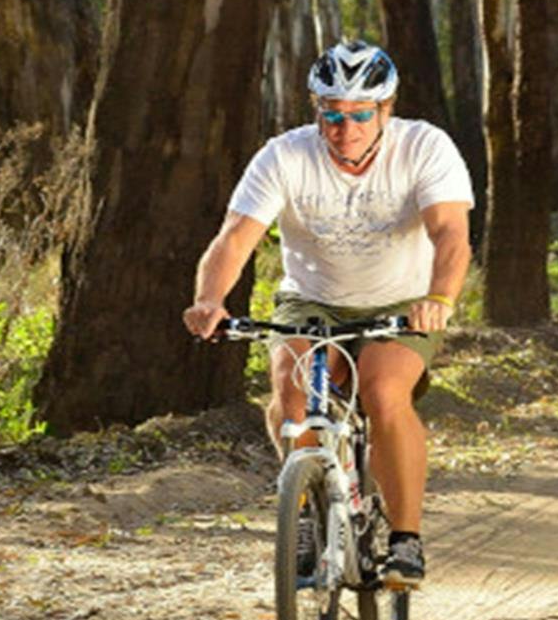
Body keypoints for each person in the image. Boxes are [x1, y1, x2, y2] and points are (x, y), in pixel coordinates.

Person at [183, 38, 473, 588]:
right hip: (311, 300)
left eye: (362, 114)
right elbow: (235, 239)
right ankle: (311, 512)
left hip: (400, 303)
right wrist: (210, 300)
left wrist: (437, 301)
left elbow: (451, 234)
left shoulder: (424, 147)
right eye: (332, 115)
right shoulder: (284, 154)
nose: (346, 129)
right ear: (316, 110)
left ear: (385, 110)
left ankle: (406, 540)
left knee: (383, 390)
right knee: (290, 392)